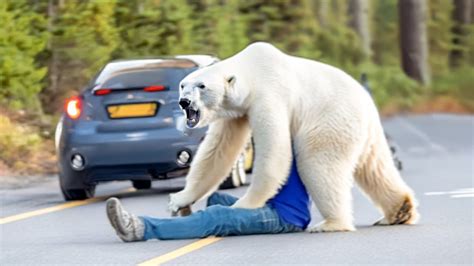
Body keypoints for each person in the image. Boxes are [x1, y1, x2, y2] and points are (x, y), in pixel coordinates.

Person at [106, 158, 311, 242]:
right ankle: (190, 224)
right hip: (270, 205)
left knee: (217, 215)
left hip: (284, 216)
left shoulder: (301, 139)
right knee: (217, 198)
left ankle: (140, 229)